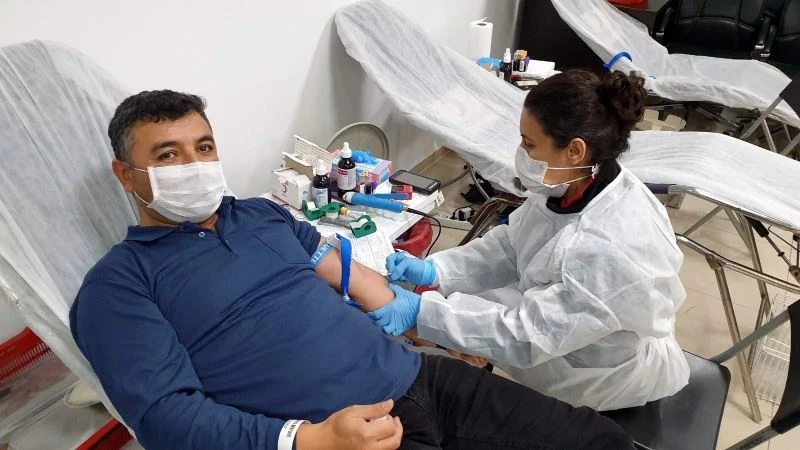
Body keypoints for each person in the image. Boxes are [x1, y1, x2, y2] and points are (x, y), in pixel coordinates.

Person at [69, 89, 633, 450]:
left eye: (204, 147)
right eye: (168, 155)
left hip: (423, 380)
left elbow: (349, 275)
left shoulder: (264, 215)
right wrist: (308, 440)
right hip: (338, 434)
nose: (195, 166)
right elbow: (166, 418)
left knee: (598, 441)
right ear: (126, 174)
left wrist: (421, 315)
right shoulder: (118, 285)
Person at [369, 70, 691, 412]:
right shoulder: (573, 181)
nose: (522, 152)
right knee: (461, 315)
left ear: (575, 150)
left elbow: (528, 334)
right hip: (564, 329)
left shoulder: (610, 247)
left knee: (451, 334)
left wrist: (425, 314)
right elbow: (511, 246)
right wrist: (437, 270)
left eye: (530, 143)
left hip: (595, 375)